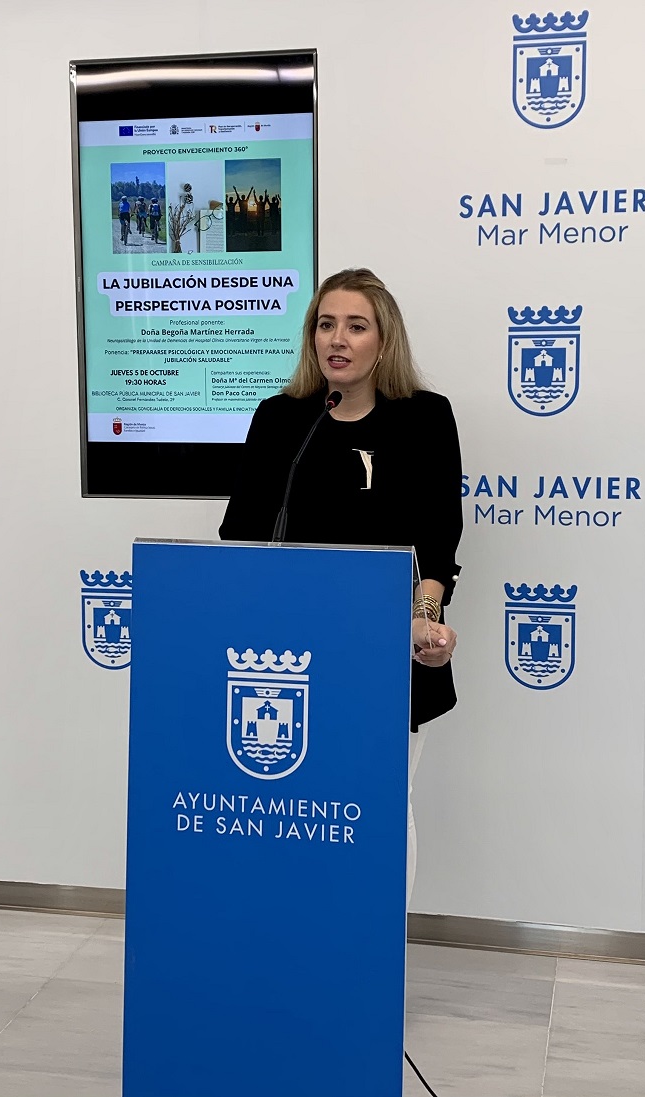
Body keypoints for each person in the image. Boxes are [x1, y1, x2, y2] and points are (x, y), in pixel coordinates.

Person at [220, 268, 462, 902]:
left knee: (380, 806)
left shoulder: (425, 418)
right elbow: (240, 534)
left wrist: (425, 618)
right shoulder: (281, 420)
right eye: (326, 324)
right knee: (294, 807)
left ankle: (376, 945)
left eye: (356, 326)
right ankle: (299, 929)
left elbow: (438, 541)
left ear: (384, 340)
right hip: (288, 653)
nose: (338, 338)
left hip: (388, 652)